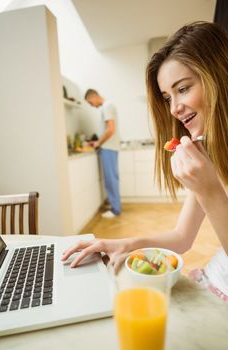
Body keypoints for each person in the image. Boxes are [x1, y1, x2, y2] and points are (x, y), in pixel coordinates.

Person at [62, 22, 228, 300]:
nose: (174, 108)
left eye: (183, 89)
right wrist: (123, 244)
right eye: (167, 97)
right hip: (214, 278)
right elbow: (181, 237)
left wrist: (209, 190)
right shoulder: (210, 152)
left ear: (219, 76)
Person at [85, 89, 121, 218]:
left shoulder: (107, 106)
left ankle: (115, 209)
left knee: (111, 180)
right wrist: (97, 142)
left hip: (108, 148)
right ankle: (114, 205)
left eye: (90, 103)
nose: (92, 106)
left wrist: (98, 143)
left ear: (94, 96)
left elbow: (110, 129)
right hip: (110, 148)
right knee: (112, 179)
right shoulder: (108, 106)